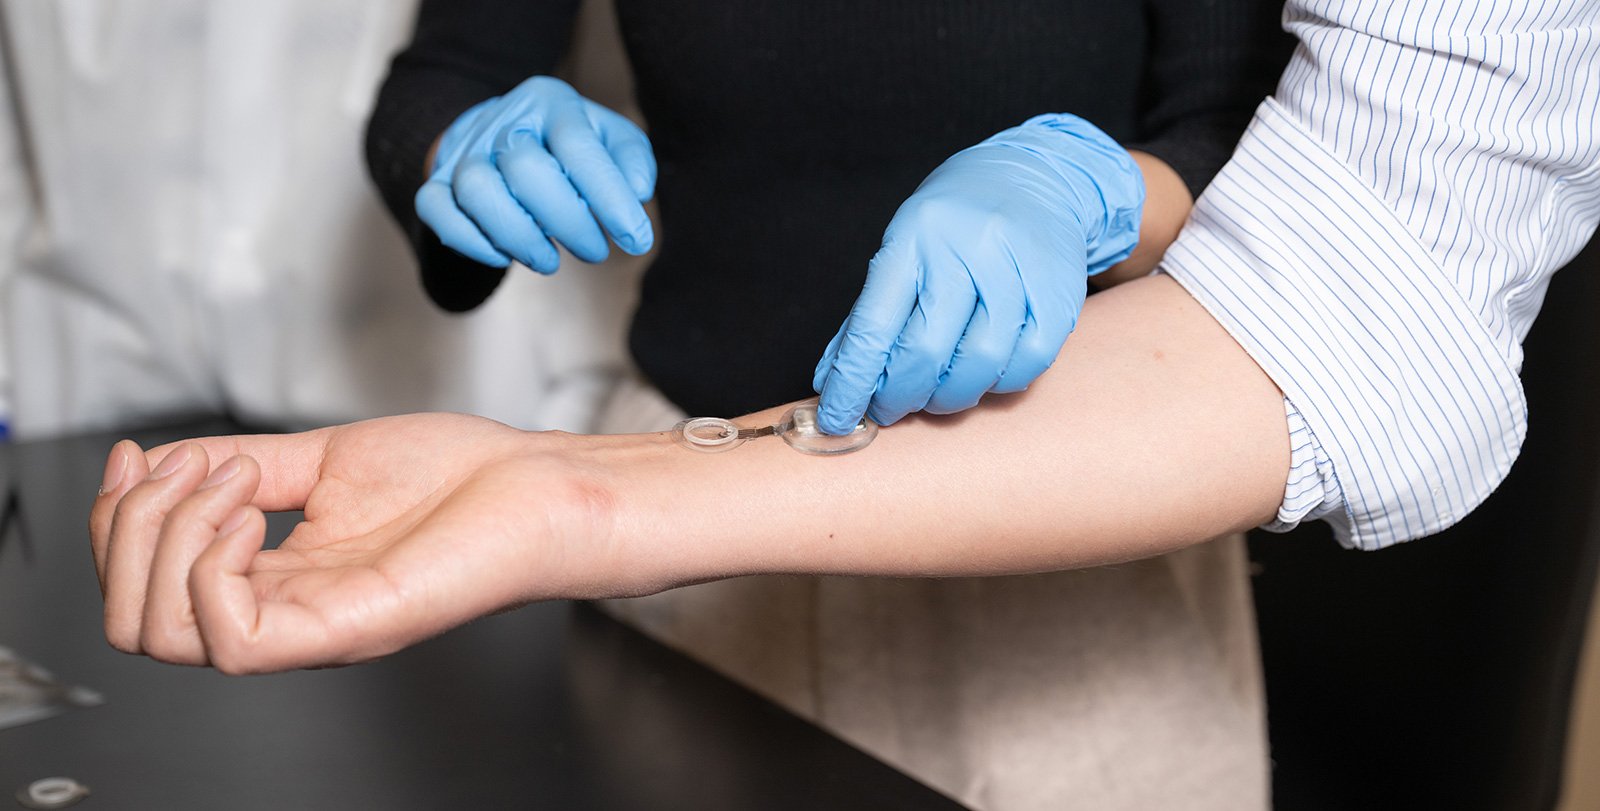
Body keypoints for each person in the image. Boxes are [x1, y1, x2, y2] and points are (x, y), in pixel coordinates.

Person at [91, 1, 1600, 809]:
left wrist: (1098, 195)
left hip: (1069, 550)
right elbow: (441, 74)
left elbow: (1276, 186)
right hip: (674, 534)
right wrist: (461, 147)